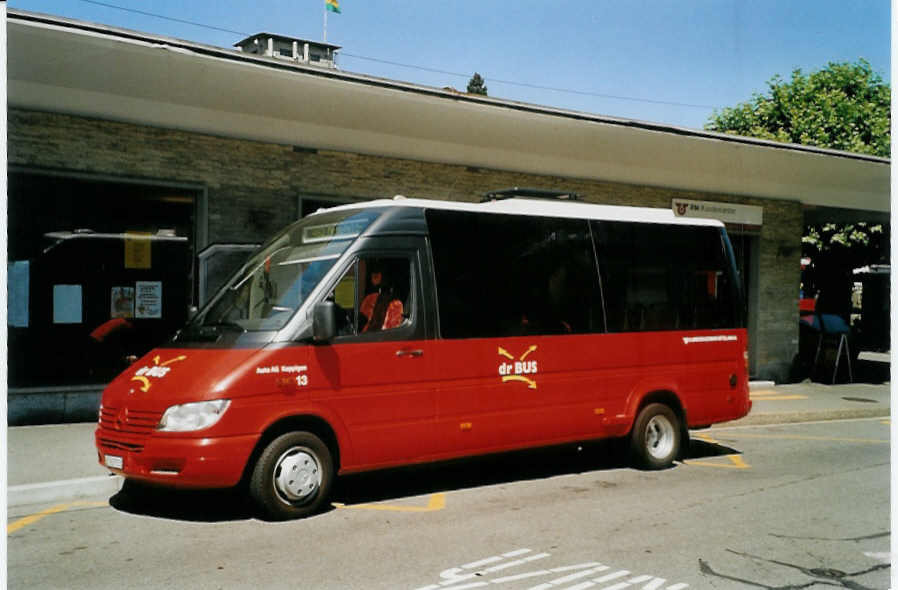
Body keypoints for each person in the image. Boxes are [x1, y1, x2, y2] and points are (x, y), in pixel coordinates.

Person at [360, 264, 404, 332]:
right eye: (373, 276)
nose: (372, 279)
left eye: (376, 276)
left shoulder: (370, 299)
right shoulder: (397, 303)